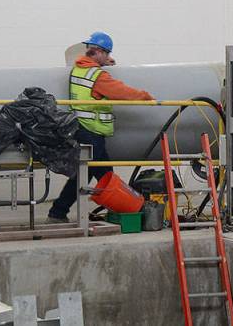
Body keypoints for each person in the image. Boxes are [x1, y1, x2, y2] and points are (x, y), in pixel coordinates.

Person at [47, 31, 154, 223]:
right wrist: (145, 96)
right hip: (91, 132)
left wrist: (106, 62)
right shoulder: (98, 76)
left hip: (82, 128)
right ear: (99, 51)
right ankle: (58, 212)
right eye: (107, 53)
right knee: (92, 174)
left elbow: (93, 81)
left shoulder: (79, 69)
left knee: (104, 173)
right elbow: (121, 91)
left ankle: (123, 209)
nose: (109, 57)